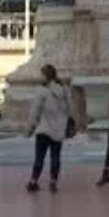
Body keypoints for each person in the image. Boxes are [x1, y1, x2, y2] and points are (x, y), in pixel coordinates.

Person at [26, 64, 73, 193]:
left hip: (43, 129)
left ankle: (33, 181)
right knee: (56, 157)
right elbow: (70, 109)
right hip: (58, 129)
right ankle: (53, 182)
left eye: (41, 74)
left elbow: (35, 111)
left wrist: (30, 128)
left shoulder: (42, 90)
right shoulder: (64, 90)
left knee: (39, 157)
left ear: (46, 76)